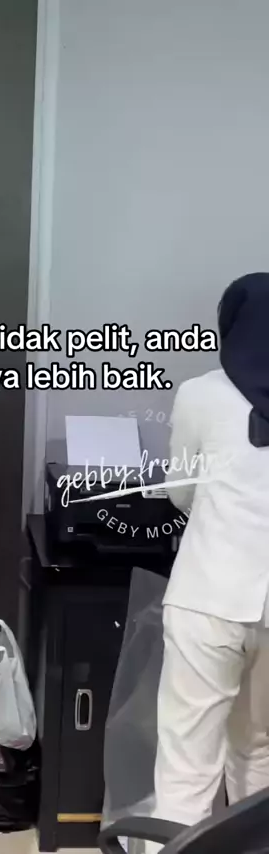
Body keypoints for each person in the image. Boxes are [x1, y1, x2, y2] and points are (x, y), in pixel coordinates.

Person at [149, 272, 269, 851]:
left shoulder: (201, 393)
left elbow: (180, 492)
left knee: (186, 766)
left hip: (209, 599)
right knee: (259, 757)